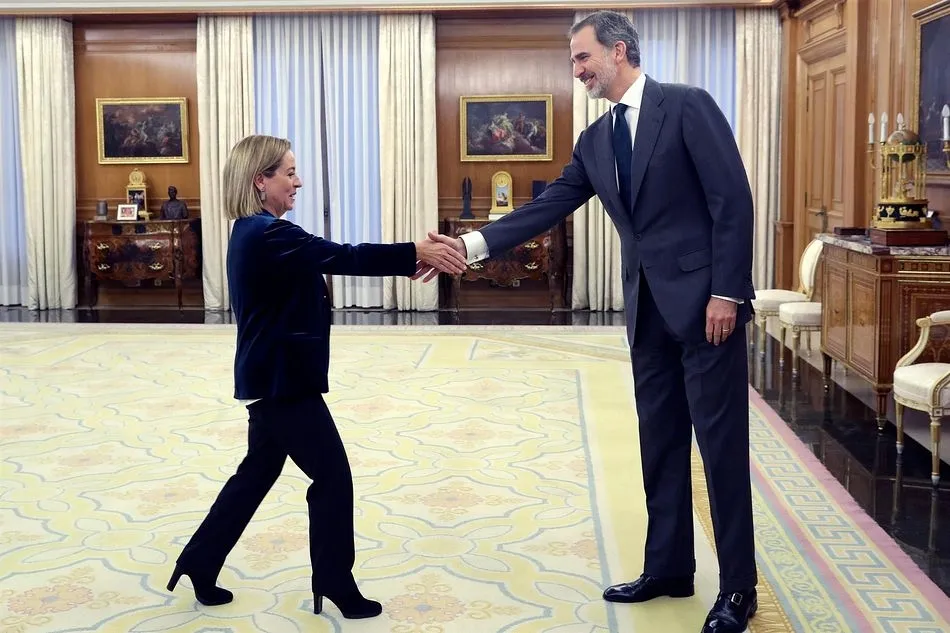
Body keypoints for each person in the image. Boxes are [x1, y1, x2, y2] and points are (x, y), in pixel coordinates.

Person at [422, 11, 756, 633]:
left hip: (709, 310)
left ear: (620, 50)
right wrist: (467, 247)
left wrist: (727, 294)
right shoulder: (595, 143)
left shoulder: (687, 106)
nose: (575, 72)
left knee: (720, 450)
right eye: (573, 61)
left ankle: (738, 587)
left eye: (582, 59)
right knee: (658, 445)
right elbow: (546, 207)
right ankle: (669, 568)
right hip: (647, 313)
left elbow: (732, 202)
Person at [166, 134, 467, 619]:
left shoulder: (255, 231)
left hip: (272, 377)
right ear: (259, 180)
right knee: (332, 476)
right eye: (288, 172)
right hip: (283, 384)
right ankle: (334, 579)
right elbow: (342, 255)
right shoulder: (267, 234)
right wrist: (416, 250)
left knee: (257, 474)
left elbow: (327, 261)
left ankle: (199, 560)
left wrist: (411, 260)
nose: (298, 180)